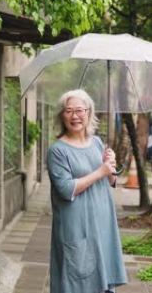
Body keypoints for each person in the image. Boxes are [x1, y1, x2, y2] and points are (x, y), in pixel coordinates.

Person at [47, 89, 128, 293]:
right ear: (61, 115)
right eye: (69, 111)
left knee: (102, 281)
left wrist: (110, 167)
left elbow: (110, 181)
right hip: (76, 226)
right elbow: (66, 189)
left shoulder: (97, 143)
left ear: (89, 112)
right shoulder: (57, 151)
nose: (75, 116)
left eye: (80, 110)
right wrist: (100, 171)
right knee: (77, 280)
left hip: (102, 223)